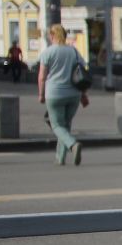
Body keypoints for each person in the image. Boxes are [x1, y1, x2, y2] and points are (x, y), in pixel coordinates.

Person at [36, 23, 89, 166]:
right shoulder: (73, 51)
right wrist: (83, 94)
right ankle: (60, 158)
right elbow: (82, 73)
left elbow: (42, 77)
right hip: (74, 94)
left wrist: (41, 94)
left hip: (54, 94)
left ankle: (73, 145)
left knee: (57, 126)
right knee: (65, 126)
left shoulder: (48, 53)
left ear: (52, 36)